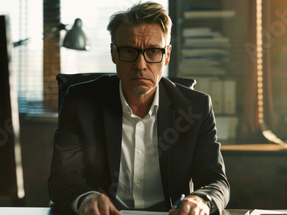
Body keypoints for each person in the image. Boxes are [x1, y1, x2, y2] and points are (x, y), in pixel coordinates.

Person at [48, 2, 230, 215]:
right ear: (113, 54)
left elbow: (216, 181)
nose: (141, 65)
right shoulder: (80, 102)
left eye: (153, 51)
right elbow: (63, 177)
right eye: (129, 51)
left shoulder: (196, 108)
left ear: (167, 55)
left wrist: (202, 200)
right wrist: (85, 199)